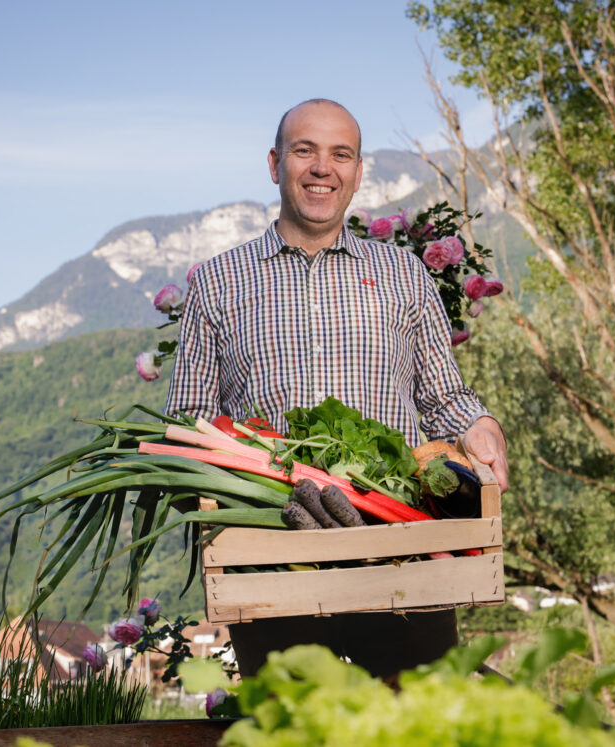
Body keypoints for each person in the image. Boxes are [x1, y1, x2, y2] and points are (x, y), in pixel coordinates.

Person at [165, 98, 508, 678]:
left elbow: (443, 399)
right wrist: (256, 489)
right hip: (277, 557)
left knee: (419, 728)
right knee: (294, 731)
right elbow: (191, 423)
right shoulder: (218, 282)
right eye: (305, 151)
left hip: (404, 552)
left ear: (357, 172)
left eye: (340, 154)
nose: (323, 167)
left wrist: (480, 425)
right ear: (275, 164)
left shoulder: (404, 275)